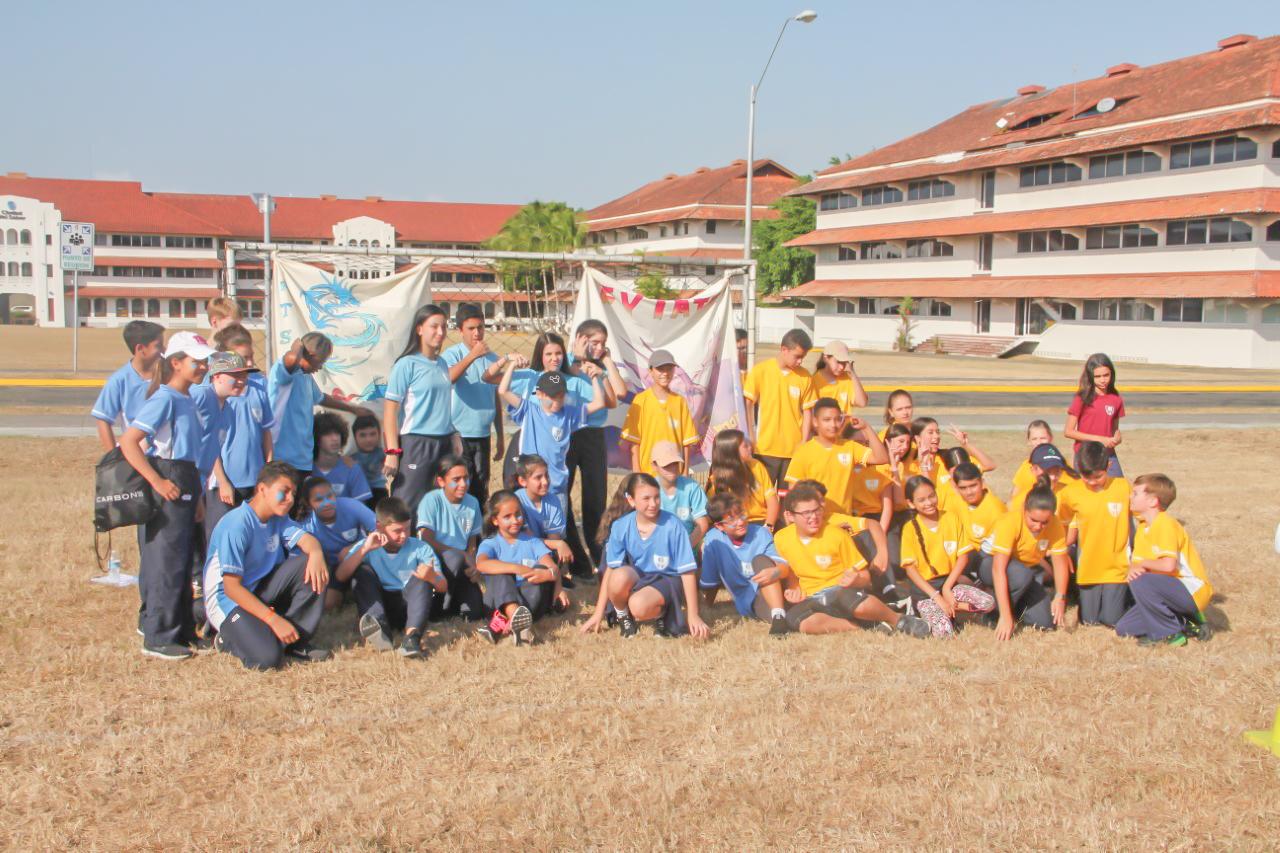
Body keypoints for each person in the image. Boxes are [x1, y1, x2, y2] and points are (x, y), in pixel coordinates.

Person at [117, 331, 213, 660]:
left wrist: (197, 496)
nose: (203, 366)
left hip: (186, 479)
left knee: (183, 560)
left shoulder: (186, 399)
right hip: (169, 477)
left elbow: (191, 453)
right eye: (196, 361)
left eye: (204, 361)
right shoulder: (164, 398)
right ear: (176, 363)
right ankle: (157, 635)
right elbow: (130, 442)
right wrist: (157, 481)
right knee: (165, 561)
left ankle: (183, 630)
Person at [203, 461, 332, 669]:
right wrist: (272, 619)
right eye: (284, 492)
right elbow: (231, 588)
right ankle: (226, 638)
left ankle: (296, 642)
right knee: (267, 660)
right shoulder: (237, 524)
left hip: (258, 590)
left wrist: (317, 553)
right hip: (228, 601)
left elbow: (308, 541)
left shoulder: (278, 518)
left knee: (310, 564)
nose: (290, 499)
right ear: (262, 489)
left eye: (293, 493)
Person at [772, 483, 930, 637]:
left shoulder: (837, 535)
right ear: (790, 516)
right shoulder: (781, 538)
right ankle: (861, 627)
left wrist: (855, 579)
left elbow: (865, 579)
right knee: (797, 619)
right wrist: (793, 589)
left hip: (841, 592)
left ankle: (898, 620)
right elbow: (789, 569)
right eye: (806, 513)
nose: (813, 517)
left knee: (851, 599)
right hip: (812, 597)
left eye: (817, 511)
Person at [581, 473, 708, 639]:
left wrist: (693, 614)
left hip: (667, 578)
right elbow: (610, 571)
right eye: (646, 498)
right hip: (639, 576)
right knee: (618, 576)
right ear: (631, 500)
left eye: (657, 497)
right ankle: (623, 616)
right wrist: (598, 613)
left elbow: (687, 571)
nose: (653, 504)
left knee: (639, 606)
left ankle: (662, 613)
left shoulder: (673, 525)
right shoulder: (621, 526)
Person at [335, 497, 447, 658]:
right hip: (381, 605)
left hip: (409, 606)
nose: (404, 535)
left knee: (423, 579)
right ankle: (380, 629)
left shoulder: (420, 547)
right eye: (397, 531)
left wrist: (432, 578)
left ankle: (412, 638)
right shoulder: (368, 545)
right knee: (362, 572)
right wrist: (365, 549)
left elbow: (443, 586)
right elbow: (340, 576)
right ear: (379, 527)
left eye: (407, 529)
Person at [498, 360, 608, 521]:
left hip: (556, 488)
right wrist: (512, 365)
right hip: (531, 488)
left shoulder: (569, 414)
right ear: (540, 394)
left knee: (555, 535)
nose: (557, 401)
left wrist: (594, 378)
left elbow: (599, 403)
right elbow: (503, 390)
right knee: (528, 532)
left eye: (561, 396)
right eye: (551, 396)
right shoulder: (529, 411)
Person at [1115, 474, 1213, 646]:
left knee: (1142, 581)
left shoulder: (1166, 524)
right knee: (1124, 628)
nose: (1130, 496)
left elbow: (1169, 566)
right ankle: (1189, 622)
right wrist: (1133, 568)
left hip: (1190, 590)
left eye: (1136, 493)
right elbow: (1138, 564)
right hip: (1165, 591)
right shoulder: (1144, 527)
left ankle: (1170, 634)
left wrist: (1141, 565)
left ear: (1153, 501)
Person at [564, 321, 626, 581]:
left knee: (595, 498)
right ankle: (575, 560)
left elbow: (618, 396)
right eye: (595, 342)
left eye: (603, 343)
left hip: (594, 434)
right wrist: (576, 362)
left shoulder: (598, 367)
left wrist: (606, 364)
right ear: (580, 337)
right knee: (560, 496)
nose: (599, 347)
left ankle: (599, 555)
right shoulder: (563, 361)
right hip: (567, 433)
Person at [898, 476, 996, 637]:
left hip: (949, 583)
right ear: (911, 503)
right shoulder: (909, 528)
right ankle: (922, 609)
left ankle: (952, 608)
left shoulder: (951, 518)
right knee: (944, 634)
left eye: (931, 496)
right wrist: (937, 597)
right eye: (921, 500)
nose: (928, 502)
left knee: (989, 603)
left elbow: (963, 556)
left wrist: (947, 588)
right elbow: (910, 570)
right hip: (926, 591)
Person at [383, 305, 456, 512]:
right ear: (419, 329)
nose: (440, 332)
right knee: (407, 506)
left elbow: (441, 405)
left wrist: (454, 434)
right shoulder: (406, 364)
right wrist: (392, 451)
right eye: (434, 326)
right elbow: (390, 412)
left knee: (438, 505)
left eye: (444, 327)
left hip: (443, 444)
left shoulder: (441, 363)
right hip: (416, 444)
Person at [269, 332, 371, 476]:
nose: (321, 367)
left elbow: (321, 398)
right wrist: (297, 345)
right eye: (320, 361)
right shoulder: (285, 373)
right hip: (281, 458)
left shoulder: (307, 378)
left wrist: (352, 409)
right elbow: (292, 359)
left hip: (302, 458)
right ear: (309, 354)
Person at [474, 490, 569, 646]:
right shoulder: (490, 544)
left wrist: (547, 575)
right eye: (507, 517)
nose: (515, 520)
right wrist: (517, 568)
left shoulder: (532, 541)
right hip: (499, 600)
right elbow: (481, 564)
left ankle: (509, 623)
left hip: (530, 601)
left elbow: (552, 567)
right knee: (499, 572)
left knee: (539, 569)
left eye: (518, 514)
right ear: (495, 520)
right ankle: (515, 618)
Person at [1058, 441, 1133, 627]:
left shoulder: (1123, 488)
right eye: (1086, 477)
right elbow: (1061, 522)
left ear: (1109, 466)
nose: (1091, 482)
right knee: (1089, 622)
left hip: (1117, 568)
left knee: (1111, 620)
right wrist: (1063, 551)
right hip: (1088, 568)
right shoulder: (1070, 493)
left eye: (1098, 477)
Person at [987, 478, 1071, 641]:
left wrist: (1060, 596)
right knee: (1021, 575)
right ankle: (992, 611)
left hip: (1028, 572)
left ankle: (1013, 607)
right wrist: (1004, 615)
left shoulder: (1056, 525)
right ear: (1025, 510)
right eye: (1034, 520)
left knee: (1045, 623)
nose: (1038, 527)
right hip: (993, 565)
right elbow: (998, 569)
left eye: (1044, 522)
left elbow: (1060, 563)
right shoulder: (1009, 522)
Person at [698, 494, 790, 635]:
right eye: (731, 520)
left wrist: (774, 572)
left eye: (741, 515)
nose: (740, 522)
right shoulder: (713, 540)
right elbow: (710, 582)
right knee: (796, 619)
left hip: (776, 589)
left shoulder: (761, 533)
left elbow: (784, 567)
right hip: (753, 600)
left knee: (760, 560)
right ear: (719, 526)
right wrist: (706, 607)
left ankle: (779, 616)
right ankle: (782, 616)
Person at [442, 303, 503, 506]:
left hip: (483, 434)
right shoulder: (453, 355)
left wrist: (500, 436)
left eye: (480, 327)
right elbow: (449, 377)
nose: (477, 333)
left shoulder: (493, 359)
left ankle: (477, 535)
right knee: (459, 488)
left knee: (479, 487)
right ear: (460, 330)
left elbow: (496, 397)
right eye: (471, 328)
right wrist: (472, 355)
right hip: (459, 435)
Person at [783, 399, 888, 515]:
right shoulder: (803, 452)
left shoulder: (850, 447)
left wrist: (866, 428)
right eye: (827, 420)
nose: (833, 424)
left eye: (837, 419)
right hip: (816, 521)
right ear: (815, 421)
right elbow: (793, 491)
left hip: (844, 521)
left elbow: (881, 458)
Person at [414, 454, 486, 619]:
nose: (463, 484)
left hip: (461, 564)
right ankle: (439, 603)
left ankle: (453, 601)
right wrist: (461, 554)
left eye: (466, 478)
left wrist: (473, 566)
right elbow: (427, 539)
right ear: (441, 481)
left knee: (475, 613)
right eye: (456, 479)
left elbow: (472, 542)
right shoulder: (431, 500)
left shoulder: (473, 502)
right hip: (437, 562)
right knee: (453, 557)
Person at [191, 351, 252, 545]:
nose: (241, 381)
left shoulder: (229, 409)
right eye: (235, 376)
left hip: (199, 479)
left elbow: (212, 448)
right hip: (181, 474)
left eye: (244, 375)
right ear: (216, 376)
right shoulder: (201, 395)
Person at [742, 328, 816, 485]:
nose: (800, 361)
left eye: (803, 357)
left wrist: (804, 442)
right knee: (763, 499)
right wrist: (750, 435)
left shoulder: (805, 377)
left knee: (789, 501)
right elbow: (747, 405)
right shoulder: (760, 371)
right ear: (784, 350)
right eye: (797, 357)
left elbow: (808, 412)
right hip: (764, 449)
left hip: (794, 452)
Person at [296, 475, 377, 612]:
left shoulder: (351, 505)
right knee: (328, 605)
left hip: (359, 560)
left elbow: (380, 529)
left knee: (364, 579)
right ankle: (343, 591)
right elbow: (298, 561)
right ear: (309, 504)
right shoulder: (305, 525)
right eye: (319, 499)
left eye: (330, 496)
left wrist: (354, 547)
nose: (327, 502)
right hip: (331, 568)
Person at [620, 348, 699, 472]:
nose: (665, 373)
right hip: (647, 472)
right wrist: (637, 471)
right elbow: (634, 440)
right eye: (660, 369)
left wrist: (684, 471)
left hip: (674, 474)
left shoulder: (680, 402)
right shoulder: (640, 400)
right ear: (650, 371)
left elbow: (686, 442)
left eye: (669, 369)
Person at [92, 319, 166, 451]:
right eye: (158, 345)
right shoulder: (119, 380)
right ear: (140, 349)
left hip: (168, 456)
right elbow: (103, 419)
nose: (163, 350)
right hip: (140, 456)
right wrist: (114, 458)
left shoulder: (168, 375)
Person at [1065, 352, 1125, 476]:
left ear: (1112, 374)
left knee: (1119, 489)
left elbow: (1114, 430)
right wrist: (1099, 439)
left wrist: (1117, 439)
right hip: (1085, 455)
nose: (1103, 380)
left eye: (1106, 375)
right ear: (1090, 376)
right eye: (1097, 376)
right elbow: (1069, 431)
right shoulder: (1082, 398)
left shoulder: (1116, 398)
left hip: (1107, 455)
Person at [513, 453, 574, 574]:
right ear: (522, 481)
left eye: (547, 476)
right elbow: (524, 540)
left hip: (542, 550)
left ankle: (555, 577)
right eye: (538, 477)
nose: (545, 482)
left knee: (557, 554)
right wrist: (558, 544)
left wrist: (558, 545)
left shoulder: (553, 501)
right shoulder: (516, 501)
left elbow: (554, 538)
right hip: (520, 550)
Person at [708, 429, 778, 530]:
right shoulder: (717, 479)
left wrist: (769, 526)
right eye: (745, 446)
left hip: (760, 523)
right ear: (732, 451)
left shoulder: (757, 466)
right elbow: (714, 515)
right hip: (734, 526)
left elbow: (772, 500)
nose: (751, 447)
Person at [949, 461, 1007, 580]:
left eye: (973, 486)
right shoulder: (956, 501)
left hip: (987, 556)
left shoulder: (995, 509)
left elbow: (998, 550)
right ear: (956, 487)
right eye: (963, 488)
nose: (969, 492)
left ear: (982, 483)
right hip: (964, 552)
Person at [649, 440, 710, 549]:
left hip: (688, 547)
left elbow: (702, 524)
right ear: (654, 465)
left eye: (675, 463)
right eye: (666, 465)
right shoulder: (647, 489)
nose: (672, 469)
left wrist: (684, 550)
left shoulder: (692, 487)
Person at [310, 413, 371, 503]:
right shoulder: (306, 470)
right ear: (316, 438)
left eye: (337, 433)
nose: (335, 438)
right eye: (328, 434)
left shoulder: (352, 469)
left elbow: (360, 509)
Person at [1008, 443, 1076, 519]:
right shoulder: (1023, 501)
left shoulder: (1068, 494)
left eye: (1057, 471)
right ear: (1034, 470)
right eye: (1048, 471)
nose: (1053, 477)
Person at [811, 340, 868, 420]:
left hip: (844, 430)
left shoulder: (847, 379)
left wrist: (852, 374)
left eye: (844, 362)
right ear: (826, 358)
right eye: (838, 362)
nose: (842, 367)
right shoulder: (814, 381)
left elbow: (862, 402)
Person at [349, 413, 387, 507]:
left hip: (382, 496)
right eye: (363, 435)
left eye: (373, 434)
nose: (368, 439)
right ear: (355, 437)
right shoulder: (349, 460)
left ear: (379, 434)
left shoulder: (386, 456)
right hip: (359, 498)